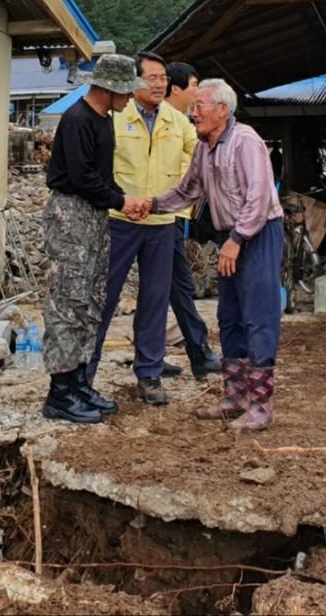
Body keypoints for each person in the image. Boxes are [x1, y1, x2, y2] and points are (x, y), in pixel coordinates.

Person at [145, 78, 284, 431]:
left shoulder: (245, 141)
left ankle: (261, 406)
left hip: (257, 234)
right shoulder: (204, 148)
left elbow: (260, 198)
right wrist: (152, 204)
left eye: (201, 105)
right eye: (194, 106)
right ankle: (235, 397)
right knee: (229, 316)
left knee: (258, 315)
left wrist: (237, 238)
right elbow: (188, 190)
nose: (195, 112)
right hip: (231, 237)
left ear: (223, 109)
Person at [87, 51, 198, 407]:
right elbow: (101, 165)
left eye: (164, 78)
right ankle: (84, 373)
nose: (160, 84)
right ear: (134, 82)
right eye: (152, 78)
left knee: (154, 299)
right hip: (120, 221)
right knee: (104, 298)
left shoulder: (176, 120)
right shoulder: (117, 119)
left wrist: (175, 201)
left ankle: (149, 373)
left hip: (162, 223)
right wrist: (118, 201)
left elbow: (194, 159)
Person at [41, 55, 147, 424]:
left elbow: (101, 175)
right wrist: (121, 200)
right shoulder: (77, 120)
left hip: (95, 215)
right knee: (67, 299)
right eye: (126, 92)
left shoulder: (104, 121)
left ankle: (79, 379)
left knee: (89, 297)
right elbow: (83, 178)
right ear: (109, 88)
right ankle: (60, 390)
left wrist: (121, 199)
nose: (130, 99)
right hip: (72, 214)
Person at [161, 61, 220, 380]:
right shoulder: (172, 122)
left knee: (165, 288)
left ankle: (157, 355)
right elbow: (201, 158)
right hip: (157, 216)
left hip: (165, 215)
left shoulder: (176, 121)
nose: (198, 92)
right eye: (195, 85)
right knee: (177, 286)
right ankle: (198, 353)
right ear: (178, 88)